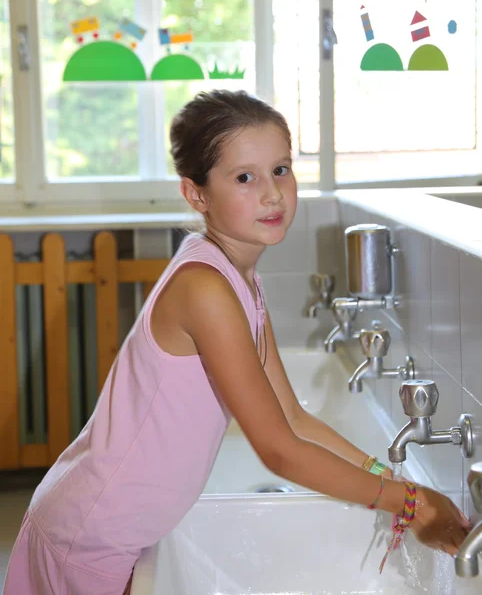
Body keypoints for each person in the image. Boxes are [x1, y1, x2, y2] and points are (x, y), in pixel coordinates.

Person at [4, 90, 470, 595]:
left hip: (109, 523)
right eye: (244, 177)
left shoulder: (241, 278)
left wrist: (398, 483)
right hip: (90, 536)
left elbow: (293, 419)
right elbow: (279, 450)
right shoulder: (205, 288)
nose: (272, 194)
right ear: (196, 194)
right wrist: (410, 503)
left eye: (281, 169)